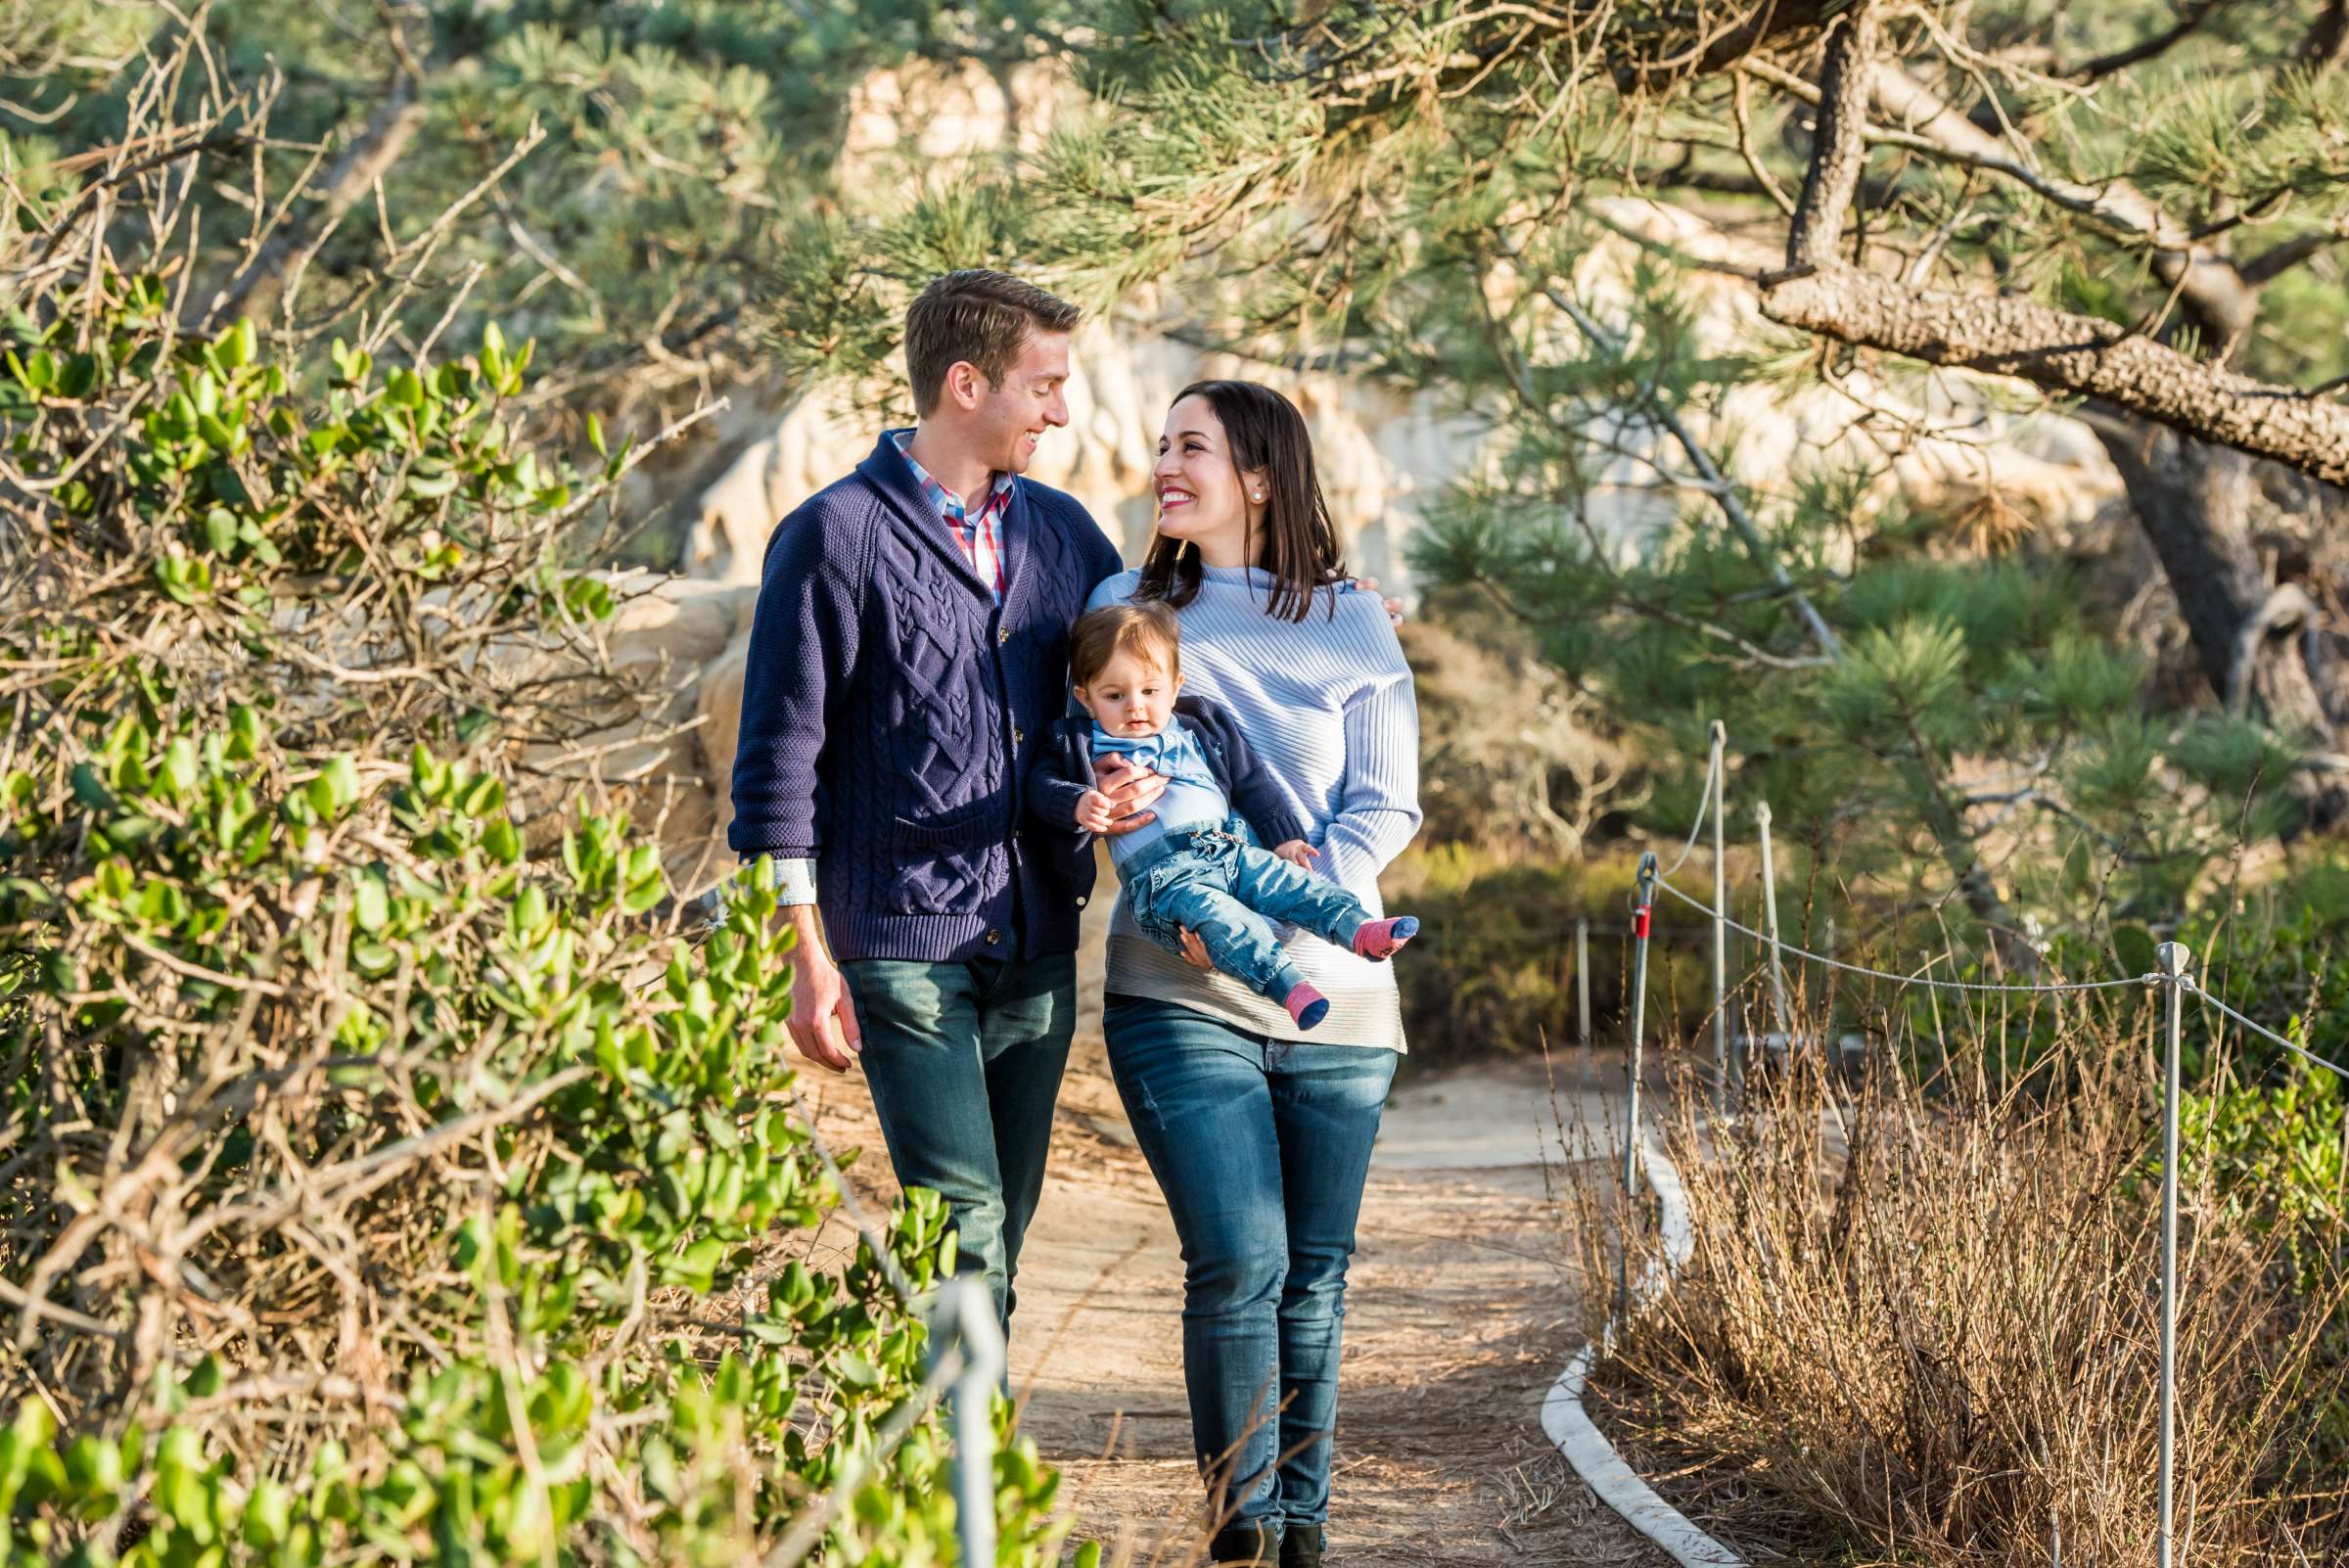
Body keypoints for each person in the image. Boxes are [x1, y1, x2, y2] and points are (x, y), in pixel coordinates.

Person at [725, 269, 1164, 1332]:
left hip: (1037, 938)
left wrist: (1325, 597)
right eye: (1043, 386)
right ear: (967, 385)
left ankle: (932, 1460)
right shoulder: (833, 535)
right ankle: (971, 1488)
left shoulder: (1067, 538)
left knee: (999, 1228)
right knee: (962, 1221)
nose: (1062, 412)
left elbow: (1152, 663)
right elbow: (778, 758)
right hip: (896, 939)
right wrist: (801, 953)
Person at [1084, 381, 1422, 1567]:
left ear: (1263, 478)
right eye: (1163, 444)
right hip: (1178, 984)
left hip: (1339, 988)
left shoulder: (1352, 623)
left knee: (1314, 1280)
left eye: (1194, 448)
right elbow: (1108, 770)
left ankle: (1304, 1533)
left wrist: (1304, 881)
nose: (1166, 464)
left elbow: (1387, 803)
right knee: (1240, 1259)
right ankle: (1244, 1525)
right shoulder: (1121, 606)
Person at [1029, 602, 1418, 1029]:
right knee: (1220, 917)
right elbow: (1041, 787)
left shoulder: (1201, 724)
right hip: (1165, 880)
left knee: (1289, 882)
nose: (1134, 706)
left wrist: (1283, 838)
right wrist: (1077, 802)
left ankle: (1360, 931)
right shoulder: (1077, 742)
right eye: (1114, 695)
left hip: (1229, 847)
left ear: (1176, 687)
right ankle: (1286, 985)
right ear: (1085, 697)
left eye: (1150, 691)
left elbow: (1253, 782)